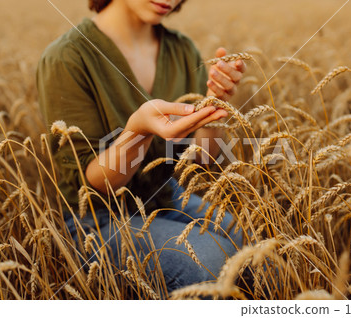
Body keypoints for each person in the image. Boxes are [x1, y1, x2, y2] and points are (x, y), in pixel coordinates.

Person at [37, 0, 246, 296]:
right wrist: (138, 131)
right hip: (98, 218)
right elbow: (98, 184)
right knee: (208, 262)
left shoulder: (182, 50)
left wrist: (215, 105)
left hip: (164, 194)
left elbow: (203, 157)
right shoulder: (67, 57)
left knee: (250, 241)